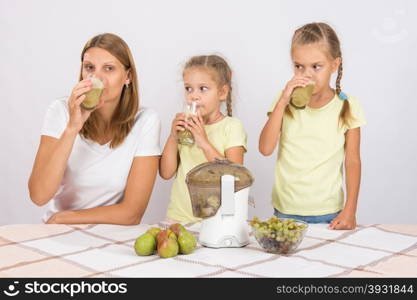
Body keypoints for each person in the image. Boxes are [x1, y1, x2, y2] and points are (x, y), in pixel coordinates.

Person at [28, 33, 161, 225]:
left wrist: (63, 218)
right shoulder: (60, 111)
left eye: (109, 68)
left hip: (106, 235)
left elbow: (132, 213)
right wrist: (73, 128)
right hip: (58, 234)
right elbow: (39, 195)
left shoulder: (146, 121)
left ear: (128, 76)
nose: (96, 77)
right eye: (89, 68)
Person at [259, 23, 366, 229]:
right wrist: (282, 101)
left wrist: (350, 210)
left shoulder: (348, 105)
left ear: (334, 65)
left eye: (316, 66)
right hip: (285, 213)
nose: (307, 74)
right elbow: (265, 149)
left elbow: (353, 161)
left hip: (328, 214)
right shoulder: (283, 102)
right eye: (299, 66)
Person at [160, 55, 247, 223]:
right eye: (188, 89)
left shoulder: (232, 127)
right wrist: (172, 137)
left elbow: (235, 177)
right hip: (178, 217)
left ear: (222, 92)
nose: (193, 96)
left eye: (203, 88)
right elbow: (166, 172)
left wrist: (204, 142)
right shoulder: (186, 128)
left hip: (216, 220)